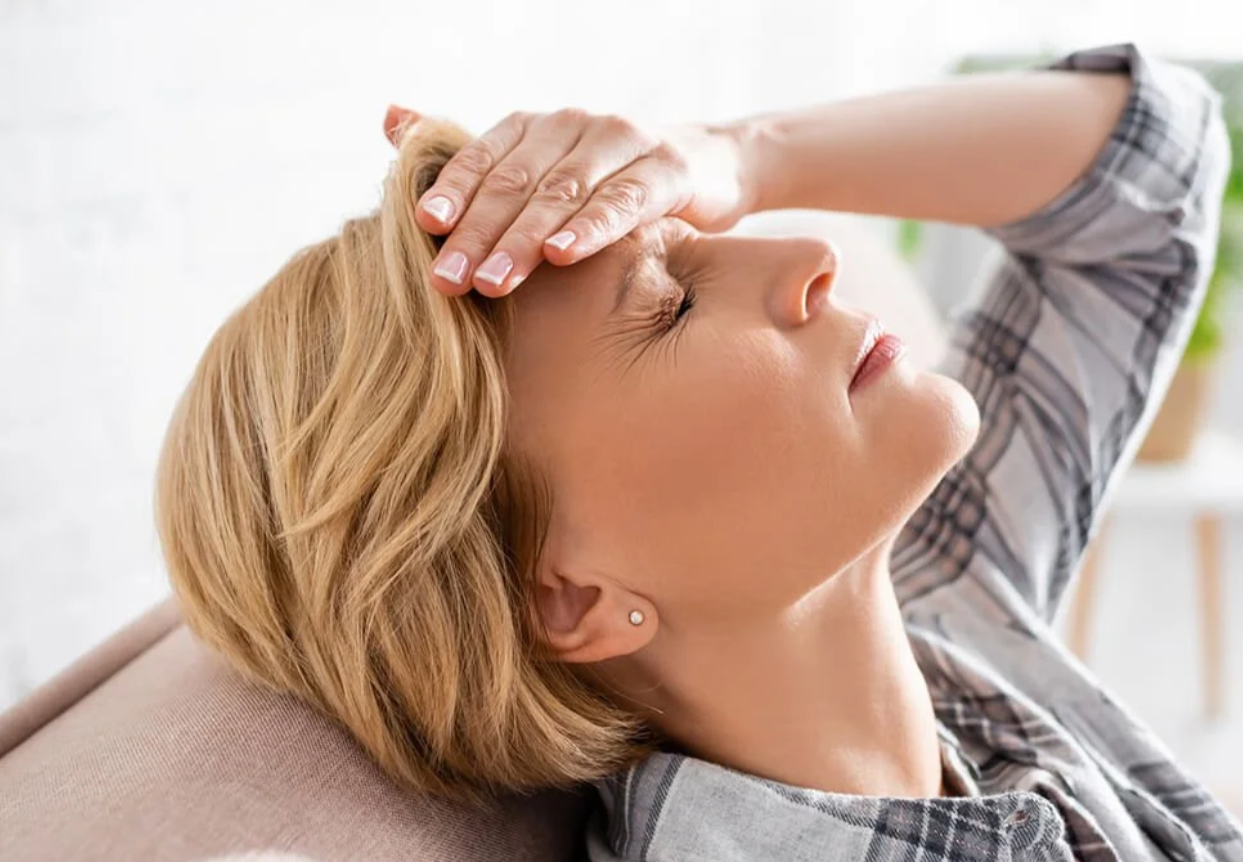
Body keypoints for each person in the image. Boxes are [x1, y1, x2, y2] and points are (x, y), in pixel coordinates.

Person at [154, 42, 1238, 860]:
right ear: (567, 596)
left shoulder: (948, 612)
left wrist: (743, 156)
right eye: (667, 307)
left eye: (691, 240)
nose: (809, 254)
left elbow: (1158, 167)